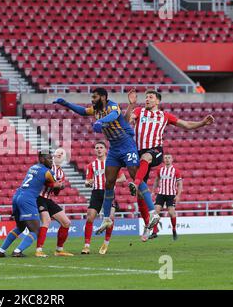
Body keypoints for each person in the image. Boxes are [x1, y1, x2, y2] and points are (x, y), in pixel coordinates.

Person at [53, 88, 160, 235]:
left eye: (95, 97)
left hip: (127, 144)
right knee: (108, 182)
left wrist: (101, 121)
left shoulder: (112, 105)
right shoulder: (95, 110)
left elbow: (114, 115)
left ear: (103, 97)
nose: (92, 99)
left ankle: (153, 212)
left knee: (136, 177)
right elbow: (82, 111)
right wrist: (66, 104)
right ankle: (106, 218)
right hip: (114, 149)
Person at [124, 89, 214, 241]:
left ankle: (135, 182)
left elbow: (186, 124)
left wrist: (203, 123)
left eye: (150, 97)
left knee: (146, 159)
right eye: (146, 97)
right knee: (140, 195)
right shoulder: (139, 111)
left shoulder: (164, 116)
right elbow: (127, 121)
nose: (147, 99)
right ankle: (148, 228)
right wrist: (131, 106)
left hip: (156, 151)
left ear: (157, 101)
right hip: (138, 152)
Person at [0, 150, 63, 258]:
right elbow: (56, 187)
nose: (51, 161)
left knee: (20, 227)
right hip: (28, 198)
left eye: (52, 159)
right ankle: (17, 251)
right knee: (35, 230)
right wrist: (60, 186)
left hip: (17, 196)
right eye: (49, 159)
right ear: (41, 159)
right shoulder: (48, 172)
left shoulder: (32, 167)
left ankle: (1, 250)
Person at [82, 140, 126, 255]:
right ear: (95, 150)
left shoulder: (113, 163)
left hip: (109, 192)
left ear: (105, 150)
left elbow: (123, 178)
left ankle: (105, 243)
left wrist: (111, 180)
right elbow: (87, 180)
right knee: (90, 217)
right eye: (97, 148)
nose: (99, 149)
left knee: (110, 218)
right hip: (96, 193)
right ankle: (86, 246)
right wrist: (88, 183)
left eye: (101, 147)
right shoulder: (91, 165)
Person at [35, 148, 74, 257]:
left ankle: (59, 250)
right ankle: (39, 250)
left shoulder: (61, 173)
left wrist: (60, 187)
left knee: (66, 223)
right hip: (38, 197)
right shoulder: (46, 166)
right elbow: (42, 181)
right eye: (57, 153)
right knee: (46, 221)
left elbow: (56, 193)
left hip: (47, 199)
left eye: (62, 154)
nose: (59, 155)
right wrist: (55, 184)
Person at [150, 154, 183, 240]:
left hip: (171, 194)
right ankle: (154, 232)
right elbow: (156, 180)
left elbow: (180, 184)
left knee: (171, 213)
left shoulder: (176, 170)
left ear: (172, 159)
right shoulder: (160, 170)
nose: (167, 159)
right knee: (156, 212)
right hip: (161, 194)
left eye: (169, 158)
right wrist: (153, 191)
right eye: (165, 158)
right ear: (163, 160)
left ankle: (174, 230)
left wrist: (178, 195)